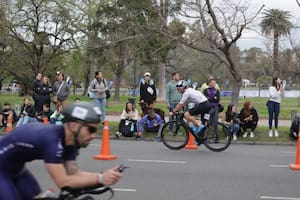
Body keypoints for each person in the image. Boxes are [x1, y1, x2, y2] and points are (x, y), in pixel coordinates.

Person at [0, 101, 122, 200]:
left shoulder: (70, 142)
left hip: (17, 170)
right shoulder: (51, 141)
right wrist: (100, 179)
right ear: (74, 126)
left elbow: (73, 173)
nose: (93, 135)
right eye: (90, 130)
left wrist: (102, 177)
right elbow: (63, 182)